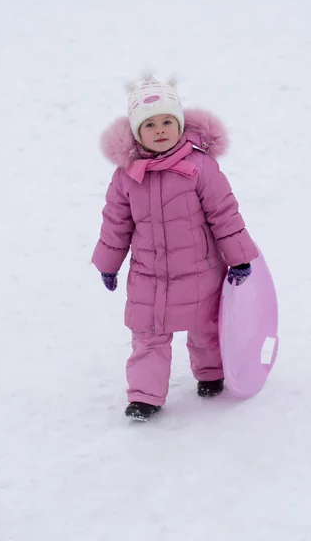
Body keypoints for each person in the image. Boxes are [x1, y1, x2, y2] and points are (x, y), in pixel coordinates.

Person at [92, 75, 258, 421]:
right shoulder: (127, 176)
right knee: (148, 336)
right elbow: (115, 224)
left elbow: (224, 214)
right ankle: (144, 395)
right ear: (137, 132)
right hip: (149, 276)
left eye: (168, 121)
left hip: (201, 270)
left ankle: (211, 373)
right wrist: (109, 264)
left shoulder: (200, 168)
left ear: (180, 124)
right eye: (150, 124)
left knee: (206, 327)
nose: (160, 130)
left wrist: (239, 258)